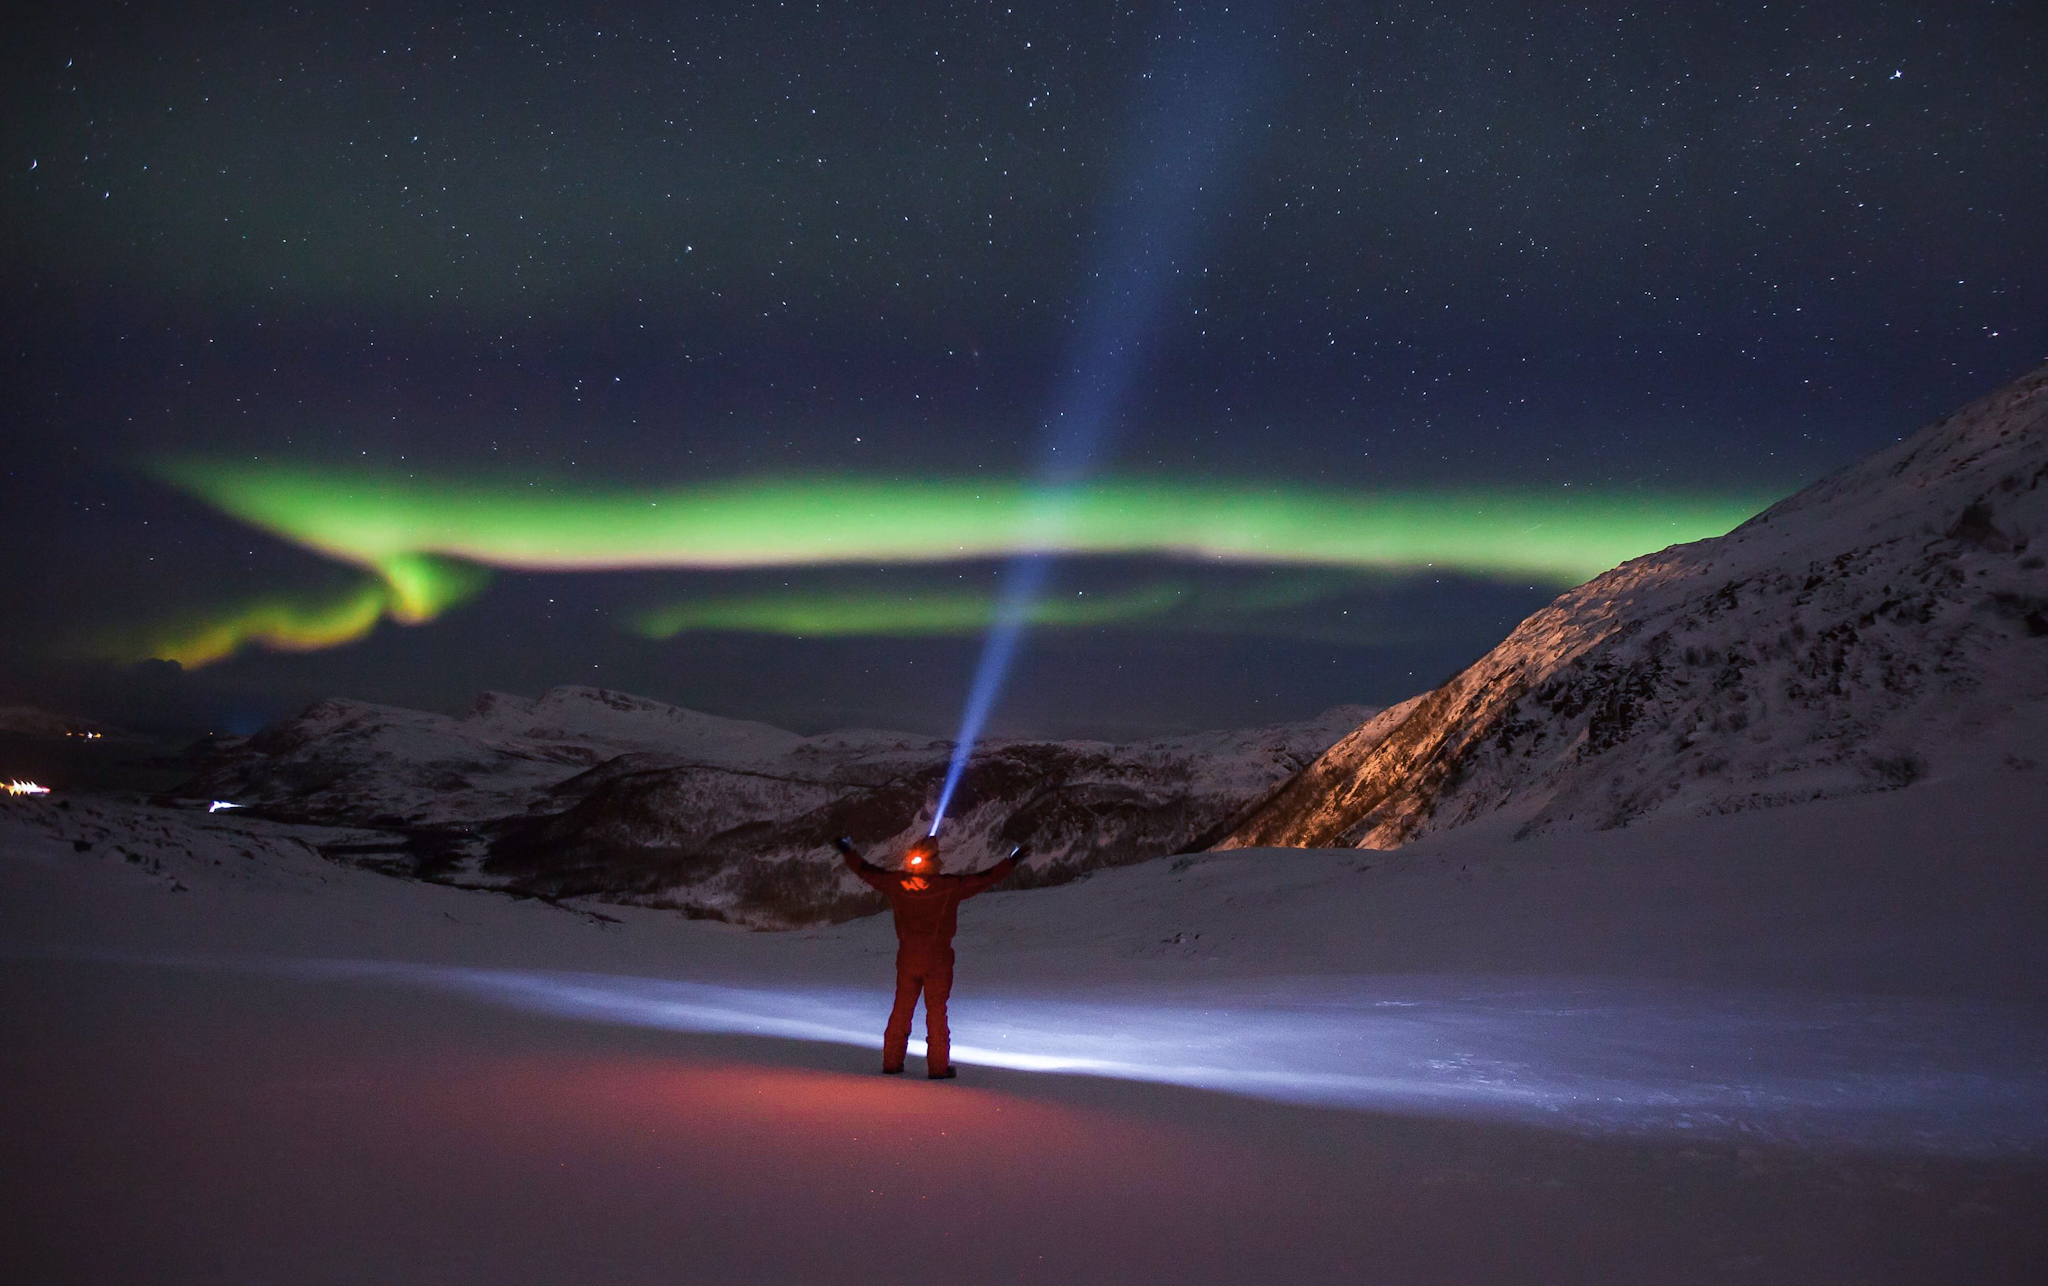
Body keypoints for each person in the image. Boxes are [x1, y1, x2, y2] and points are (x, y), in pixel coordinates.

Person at [835, 834, 1022, 1079]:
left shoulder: (897, 883)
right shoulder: (948, 886)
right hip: (938, 960)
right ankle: (938, 1067)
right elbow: (985, 878)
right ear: (933, 861)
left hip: (908, 958)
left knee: (901, 1009)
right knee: (936, 1013)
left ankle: (891, 1062)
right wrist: (1012, 861)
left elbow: (867, 872)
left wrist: (848, 852)